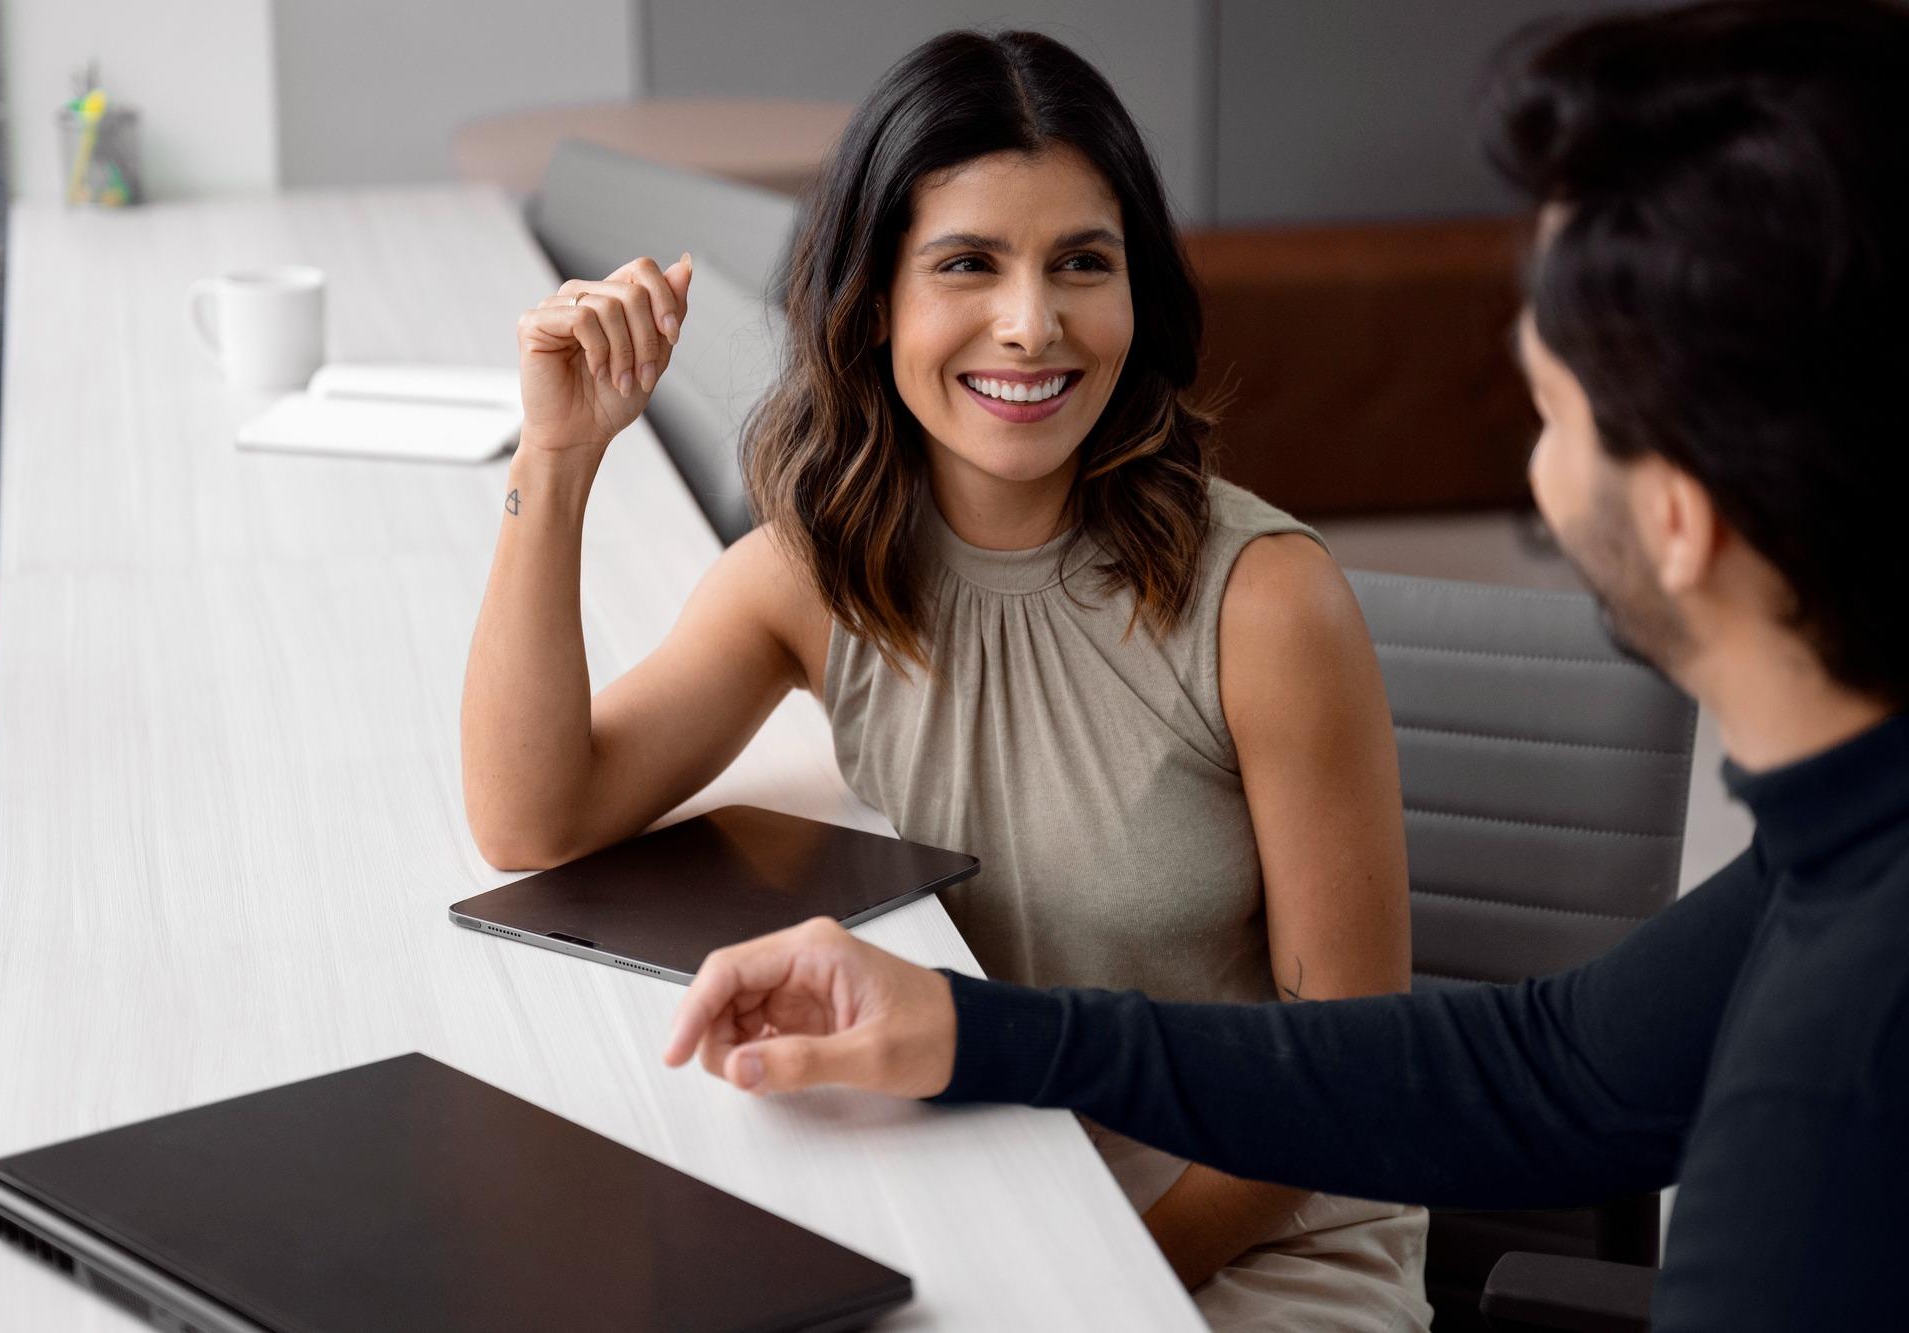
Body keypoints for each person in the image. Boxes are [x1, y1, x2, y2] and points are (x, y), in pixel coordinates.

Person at [660, 2, 1909, 1329]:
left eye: (1546, 410)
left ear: (1678, 516)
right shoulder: (1835, 855)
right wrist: (979, 1032)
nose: (1530, 473)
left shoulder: (1826, 1106)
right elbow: (1563, 1071)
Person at [464, 26, 1433, 1332]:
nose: (1031, 324)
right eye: (968, 265)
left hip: (1249, 1231)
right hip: (995, 1177)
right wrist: (561, 456)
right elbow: (536, 815)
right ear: (876, 303)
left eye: (1082, 264)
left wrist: (1095, 1271)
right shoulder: (820, 571)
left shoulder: (1263, 599)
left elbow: (1344, 1086)